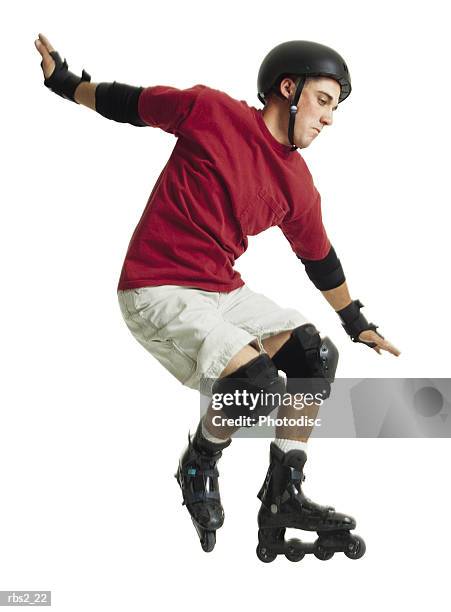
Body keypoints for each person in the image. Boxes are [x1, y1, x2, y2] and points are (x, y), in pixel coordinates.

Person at [35, 34, 400, 562]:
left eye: (336, 109)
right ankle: (200, 460)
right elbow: (127, 103)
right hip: (155, 287)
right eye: (323, 101)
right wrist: (66, 83)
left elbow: (321, 259)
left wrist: (355, 320)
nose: (329, 119)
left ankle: (282, 496)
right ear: (288, 88)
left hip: (219, 289)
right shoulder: (211, 112)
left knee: (312, 356)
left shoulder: (298, 186)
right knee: (253, 383)